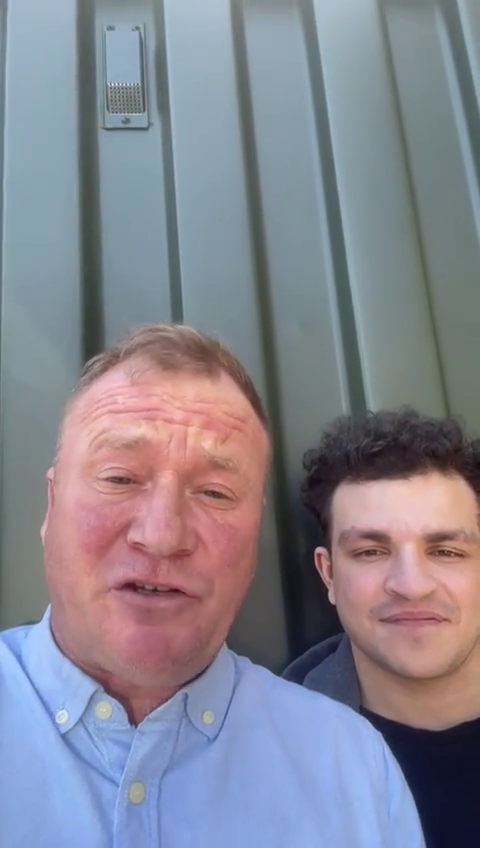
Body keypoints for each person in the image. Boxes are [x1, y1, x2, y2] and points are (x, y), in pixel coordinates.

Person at [0, 326, 423, 847]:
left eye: (216, 493)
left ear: (255, 536)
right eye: (119, 478)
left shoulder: (352, 766)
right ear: (51, 506)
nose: (162, 536)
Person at [285, 408, 480, 848]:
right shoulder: (269, 755)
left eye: (446, 551)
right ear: (329, 575)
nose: (412, 586)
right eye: (371, 552)